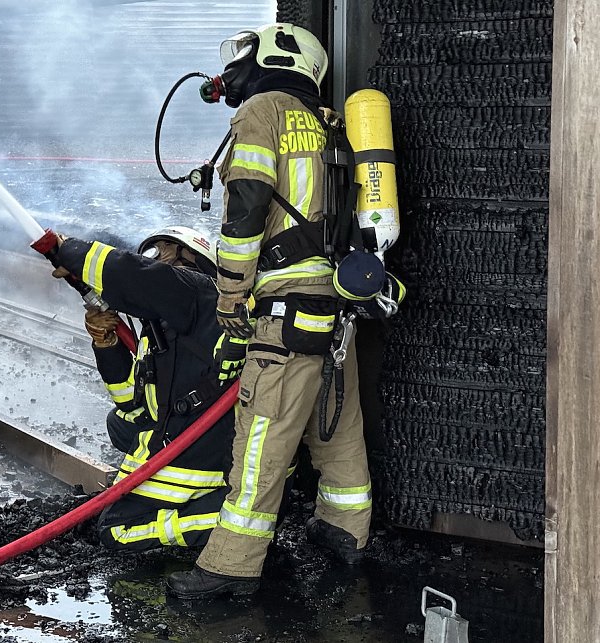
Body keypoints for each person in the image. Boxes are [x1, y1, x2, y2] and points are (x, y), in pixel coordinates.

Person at [166, 23, 373, 598]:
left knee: (261, 438)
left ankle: (229, 567)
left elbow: (247, 207)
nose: (234, 68)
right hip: (336, 304)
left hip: (284, 310)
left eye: (244, 55)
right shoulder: (328, 122)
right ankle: (345, 531)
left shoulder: (263, 111)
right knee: (338, 427)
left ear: (278, 57)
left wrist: (231, 293)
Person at [49, 226, 246, 550]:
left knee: (115, 529)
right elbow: (131, 403)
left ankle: (232, 516)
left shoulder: (201, 293)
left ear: (194, 259)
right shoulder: (162, 330)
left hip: (210, 448)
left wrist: (68, 251)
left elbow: (135, 275)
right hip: (189, 430)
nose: (158, 260)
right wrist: (107, 345)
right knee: (118, 424)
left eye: (166, 252)